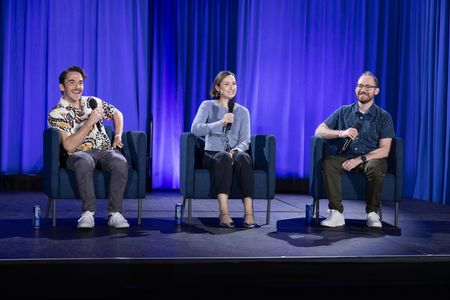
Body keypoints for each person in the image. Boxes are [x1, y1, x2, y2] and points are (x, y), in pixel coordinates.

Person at [48, 65, 130, 229]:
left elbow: (116, 113)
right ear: (62, 87)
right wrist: (90, 122)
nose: (77, 87)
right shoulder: (57, 113)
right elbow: (68, 145)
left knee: (120, 161)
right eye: (72, 82)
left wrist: (118, 135)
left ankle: (115, 214)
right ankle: (88, 213)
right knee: (84, 161)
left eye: (80, 82)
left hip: (104, 150)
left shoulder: (92, 102)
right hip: (78, 153)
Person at [314, 71, 395, 228]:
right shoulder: (344, 111)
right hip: (345, 156)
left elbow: (384, 150)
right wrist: (341, 132)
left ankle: (372, 213)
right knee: (329, 163)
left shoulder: (383, 117)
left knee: (377, 166)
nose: (363, 89)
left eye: (368, 86)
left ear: (376, 91)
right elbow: (319, 131)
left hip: (370, 159)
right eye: (360, 85)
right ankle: (336, 213)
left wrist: (359, 160)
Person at [191, 71, 256, 229]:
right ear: (217, 87)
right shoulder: (207, 105)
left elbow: (245, 140)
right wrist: (220, 123)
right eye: (226, 84)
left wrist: (235, 151)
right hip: (212, 154)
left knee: (245, 158)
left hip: (234, 153)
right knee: (224, 158)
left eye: (233, 83)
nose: (231, 87)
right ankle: (224, 213)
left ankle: (249, 213)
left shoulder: (243, 111)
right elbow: (195, 129)